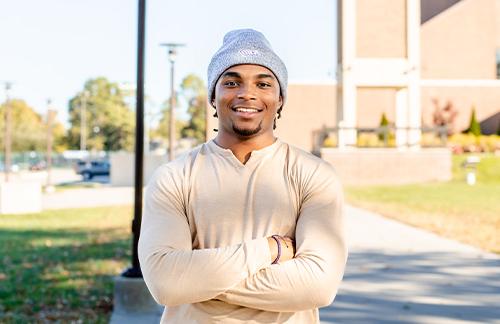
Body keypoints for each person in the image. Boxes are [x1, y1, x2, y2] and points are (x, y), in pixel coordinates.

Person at [138, 28, 347, 324]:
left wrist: (196, 278)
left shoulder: (314, 175)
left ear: (280, 99)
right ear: (213, 95)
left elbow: (319, 285)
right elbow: (166, 283)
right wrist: (268, 250)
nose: (247, 93)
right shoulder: (174, 178)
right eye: (232, 82)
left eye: (263, 83)